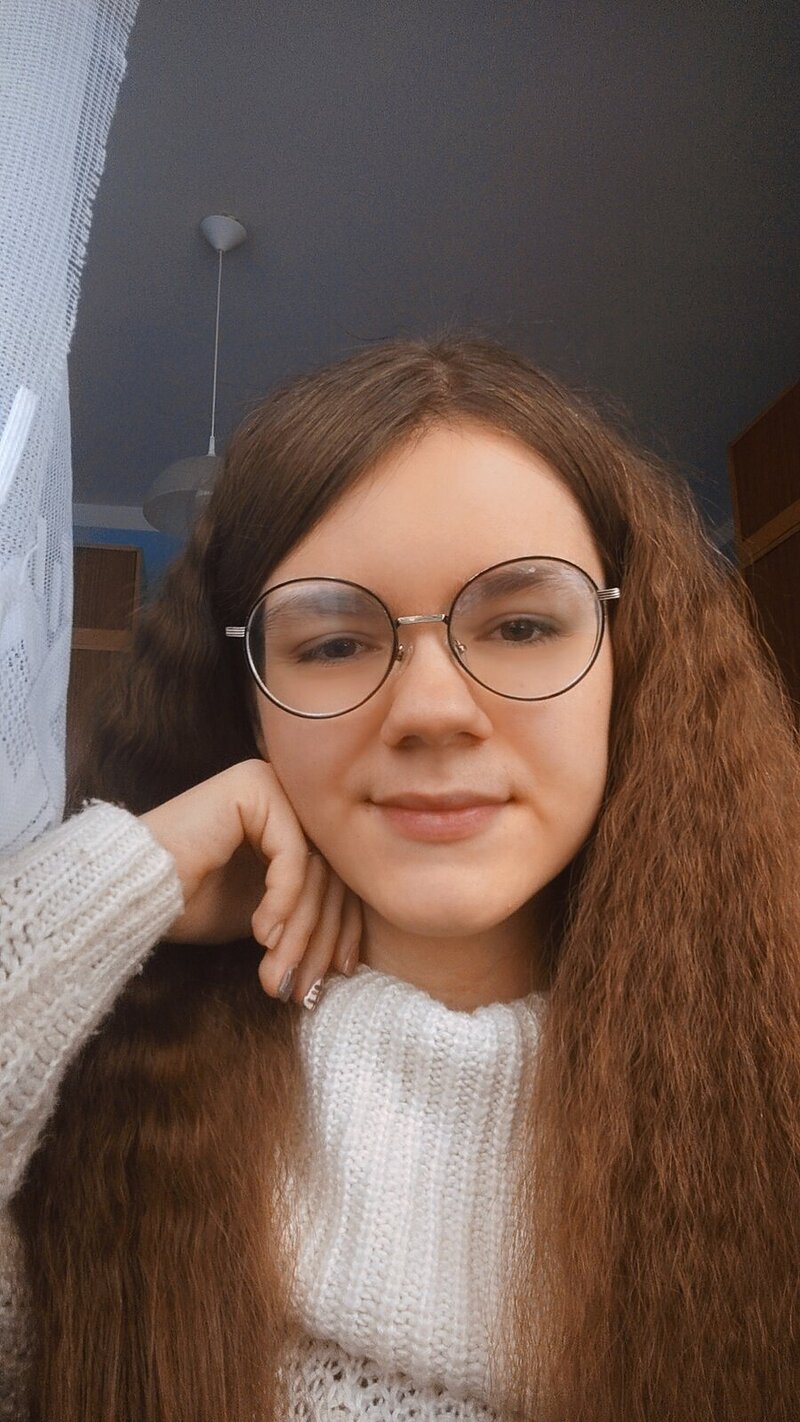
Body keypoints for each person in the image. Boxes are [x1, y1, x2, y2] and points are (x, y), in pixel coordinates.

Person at [1, 335, 798, 1421]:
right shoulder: (83, 1125)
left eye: (522, 625)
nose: (430, 711)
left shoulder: (771, 1105)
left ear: (632, 660)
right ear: (250, 708)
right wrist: (115, 881)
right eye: (332, 644)